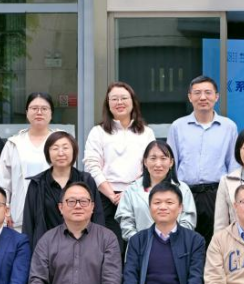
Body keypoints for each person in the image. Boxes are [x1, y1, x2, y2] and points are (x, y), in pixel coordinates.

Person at [169, 75, 239, 244]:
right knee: (183, 242)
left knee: (215, 243)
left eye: (208, 92)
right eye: (197, 93)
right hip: (185, 193)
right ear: (190, 97)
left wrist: (231, 196)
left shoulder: (228, 127)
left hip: (216, 194)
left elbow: (233, 164)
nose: (202, 97)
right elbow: (171, 163)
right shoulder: (178, 126)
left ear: (216, 96)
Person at [84, 82, 155, 246]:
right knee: (109, 245)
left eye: (124, 98)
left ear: (133, 102)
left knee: (138, 243)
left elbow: (150, 166)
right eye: (114, 99)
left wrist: (129, 191)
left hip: (138, 194)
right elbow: (91, 165)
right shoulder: (98, 132)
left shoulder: (146, 133)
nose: (119, 102)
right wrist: (111, 195)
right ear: (108, 104)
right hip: (105, 197)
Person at [22, 132, 104, 252]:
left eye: (65, 148)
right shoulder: (37, 184)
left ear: (74, 151)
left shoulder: (86, 180)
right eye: (55, 148)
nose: (61, 153)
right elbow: (28, 223)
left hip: (83, 249)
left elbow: (98, 216)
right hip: (48, 251)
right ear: (48, 153)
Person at [116, 140, 197, 244]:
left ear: (171, 162)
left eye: (163, 158)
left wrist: (170, 241)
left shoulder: (183, 189)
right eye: (153, 158)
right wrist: (141, 243)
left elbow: (188, 222)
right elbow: (126, 224)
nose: (158, 164)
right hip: (141, 248)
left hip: (176, 247)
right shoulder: (132, 190)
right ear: (145, 162)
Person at [0, 93, 56, 232]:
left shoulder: (61, 142)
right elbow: (4, 182)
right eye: (34, 108)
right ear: (27, 112)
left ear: (51, 113)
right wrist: (4, 208)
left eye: (44, 108)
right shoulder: (14, 143)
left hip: (53, 214)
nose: (39, 112)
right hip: (20, 214)